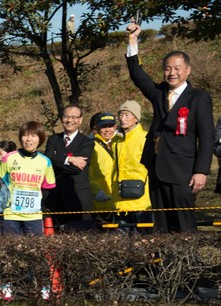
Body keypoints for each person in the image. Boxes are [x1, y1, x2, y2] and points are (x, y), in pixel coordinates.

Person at [125, 22, 215, 232]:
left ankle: (187, 264)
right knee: (161, 225)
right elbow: (137, 74)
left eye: (177, 68)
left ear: (188, 70)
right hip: (156, 167)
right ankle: (164, 264)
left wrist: (201, 171)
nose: (172, 73)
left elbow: (207, 136)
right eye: (167, 68)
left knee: (183, 224)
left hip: (183, 170)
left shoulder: (198, 98)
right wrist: (133, 39)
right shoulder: (158, 92)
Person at [0, 121, 56, 235]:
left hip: (33, 216)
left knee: (34, 250)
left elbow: (47, 188)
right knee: (11, 250)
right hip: (11, 214)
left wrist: (38, 203)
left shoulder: (45, 162)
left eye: (33, 136)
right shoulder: (8, 158)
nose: (28, 139)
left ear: (40, 139)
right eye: (25, 135)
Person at [44, 104, 95, 230]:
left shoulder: (87, 142)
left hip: (78, 198)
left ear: (80, 120)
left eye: (74, 117)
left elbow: (77, 168)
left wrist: (57, 159)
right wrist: (69, 159)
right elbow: (47, 160)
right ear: (62, 118)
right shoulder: (53, 139)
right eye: (66, 116)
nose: (70, 120)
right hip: (54, 198)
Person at [113, 100, 152, 228]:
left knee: (142, 241)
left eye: (127, 115)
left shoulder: (146, 138)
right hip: (120, 199)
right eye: (120, 115)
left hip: (141, 200)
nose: (122, 118)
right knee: (121, 244)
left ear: (136, 118)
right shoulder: (116, 141)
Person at [88, 113, 118, 214]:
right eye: (103, 126)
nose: (107, 130)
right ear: (97, 128)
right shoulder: (91, 146)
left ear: (115, 127)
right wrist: (97, 191)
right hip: (102, 200)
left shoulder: (119, 144)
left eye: (110, 126)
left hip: (120, 199)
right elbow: (87, 173)